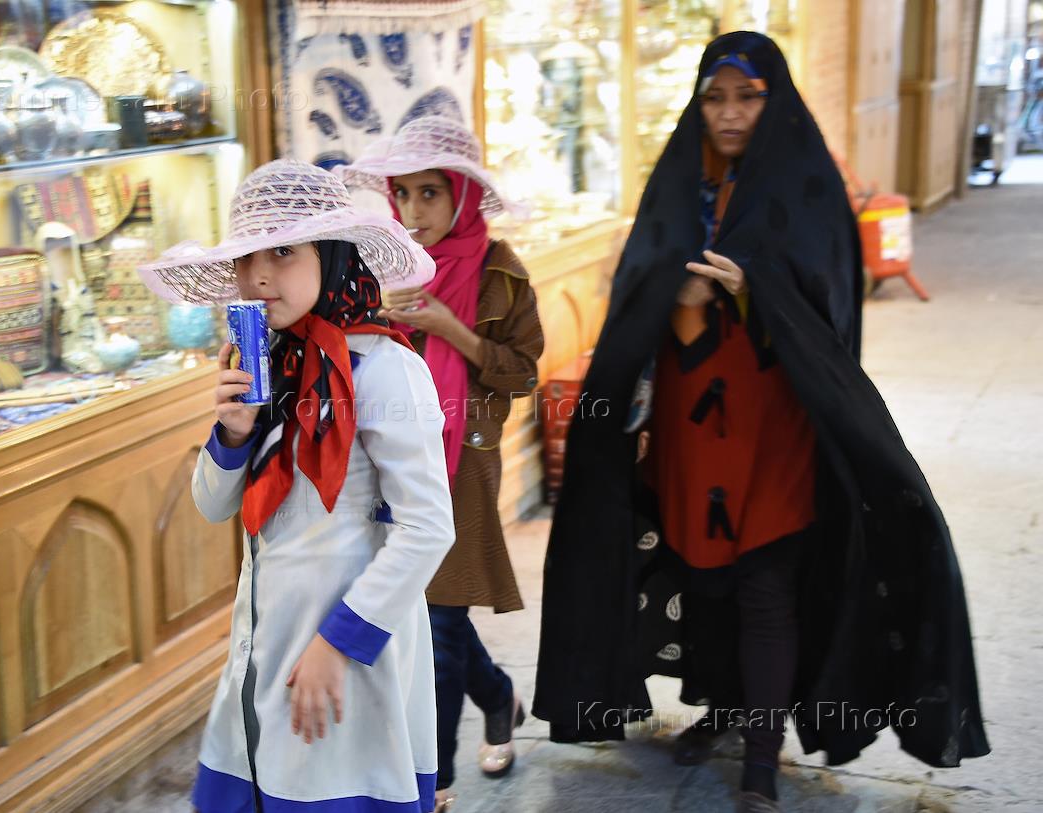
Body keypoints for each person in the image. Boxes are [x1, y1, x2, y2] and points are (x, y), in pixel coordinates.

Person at [532, 32, 989, 813]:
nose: (730, 113)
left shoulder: (806, 185)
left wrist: (754, 289)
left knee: (765, 582)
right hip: (689, 429)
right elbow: (643, 289)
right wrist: (671, 296)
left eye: (748, 96)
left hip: (775, 425)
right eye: (714, 98)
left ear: (773, 101)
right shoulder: (680, 186)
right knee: (704, 577)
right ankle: (726, 707)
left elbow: (828, 308)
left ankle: (762, 760)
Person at [138, 159, 456, 813]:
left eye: (283, 252)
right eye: (247, 256)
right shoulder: (268, 367)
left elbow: (427, 528)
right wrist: (233, 432)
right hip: (268, 643)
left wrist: (339, 642)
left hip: (345, 656)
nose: (258, 275)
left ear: (332, 256)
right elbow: (213, 504)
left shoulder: (383, 369)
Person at [338, 116, 545, 812]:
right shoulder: (382, 266)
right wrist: (376, 314)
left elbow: (521, 374)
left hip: (463, 467)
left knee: (441, 628)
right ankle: (500, 696)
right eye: (401, 193)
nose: (413, 210)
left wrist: (448, 328)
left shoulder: (501, 273)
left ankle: (438, 785)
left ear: (462, 195)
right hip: (386, 465)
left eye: (430, 193)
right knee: (428, 615)